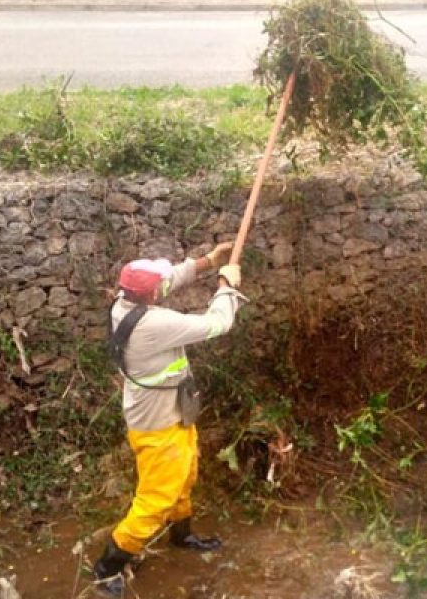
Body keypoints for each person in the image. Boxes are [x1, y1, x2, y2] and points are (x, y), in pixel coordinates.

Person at [93, 242, 245, 597]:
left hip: (170, 413)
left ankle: (182, 534)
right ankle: (107, 566)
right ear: (151, 294)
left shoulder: (125, 304)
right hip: (157, 426)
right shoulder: (155, 323)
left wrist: (207, 262)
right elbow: (218, 323)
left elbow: (168, 280)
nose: (165, 287)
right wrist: (226, 286)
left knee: (185, 475)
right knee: (156, 498)